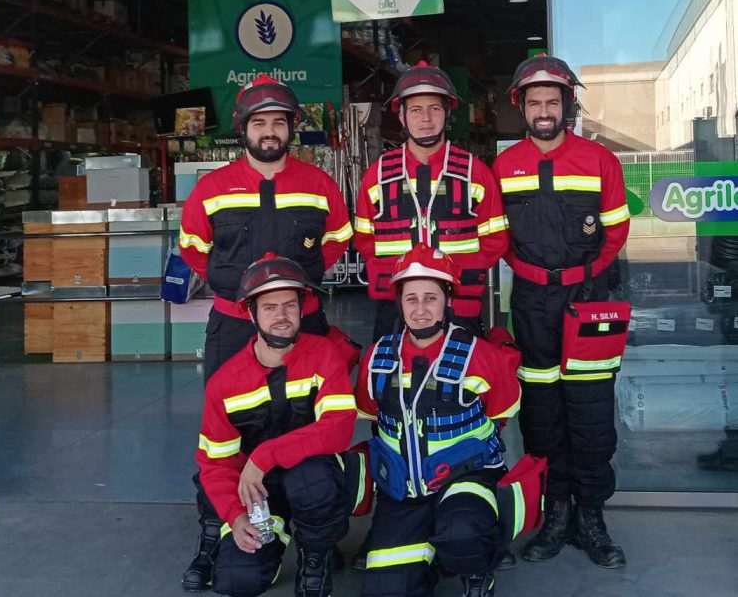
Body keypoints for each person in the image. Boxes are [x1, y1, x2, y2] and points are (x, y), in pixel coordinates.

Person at [179, 75, 357, 590]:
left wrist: (291, 295)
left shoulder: (319, 184)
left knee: (315, 427)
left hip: (302, 324)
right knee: (222, 438)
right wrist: (243, 295)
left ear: (291, 128)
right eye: (260, 122)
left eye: (279, 121)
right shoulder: (212, 189)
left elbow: (337, 240)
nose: (270, 130)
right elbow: (194, 249)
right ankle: (215, 535)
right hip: (235, 329)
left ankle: (316, 541)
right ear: (244, 129)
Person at [491, 54, 631, 568]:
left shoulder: (601, 161)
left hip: (589, 301)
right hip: (530, 305)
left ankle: (591, 517)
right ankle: (554, 512)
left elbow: (614, 233)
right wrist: (535, 278)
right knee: (542, 414)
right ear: (521, 108)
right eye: (535, 102)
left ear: (567, 105)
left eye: (553, 101)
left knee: (592, 413)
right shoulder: (503, 168)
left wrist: (579, 281)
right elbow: (496, 237)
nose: (544, 110)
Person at [355, 244, 523, 597]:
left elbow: (501, 412)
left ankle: (477, 571)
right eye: (411, 298)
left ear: (448, 301)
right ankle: (431, 553)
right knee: (386, 589)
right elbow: (372, 414)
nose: (420, 310)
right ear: (398, 302)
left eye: (431, 298)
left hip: (465, 478)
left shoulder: (480, 355)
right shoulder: (376, 357)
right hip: (403, 489)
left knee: (465, 533)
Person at [196, 254, 359, 597]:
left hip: (311, 476)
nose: (282, 316)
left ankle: (317, 555)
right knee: (236, 581)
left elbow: (339, 428)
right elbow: (215, 463)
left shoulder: (324, 354)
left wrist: (265, 455)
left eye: (289, 305)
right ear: (251, 313)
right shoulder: (225, 383)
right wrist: (237, 516)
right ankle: (277, 531)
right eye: (270, 307)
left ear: (302, 309)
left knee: (311, 477)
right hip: (259, 493)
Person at [353, 61, 508, 341]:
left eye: (434, 108)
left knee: (465, 378)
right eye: (415, 110)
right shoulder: (378, 174)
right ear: (401, 116)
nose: (426, 118)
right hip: (398, 306)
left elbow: (495, 241)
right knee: (391, 380)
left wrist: (453, 278)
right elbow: (365, 240)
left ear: (447, 113)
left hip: (459, 303)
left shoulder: (475, 172)